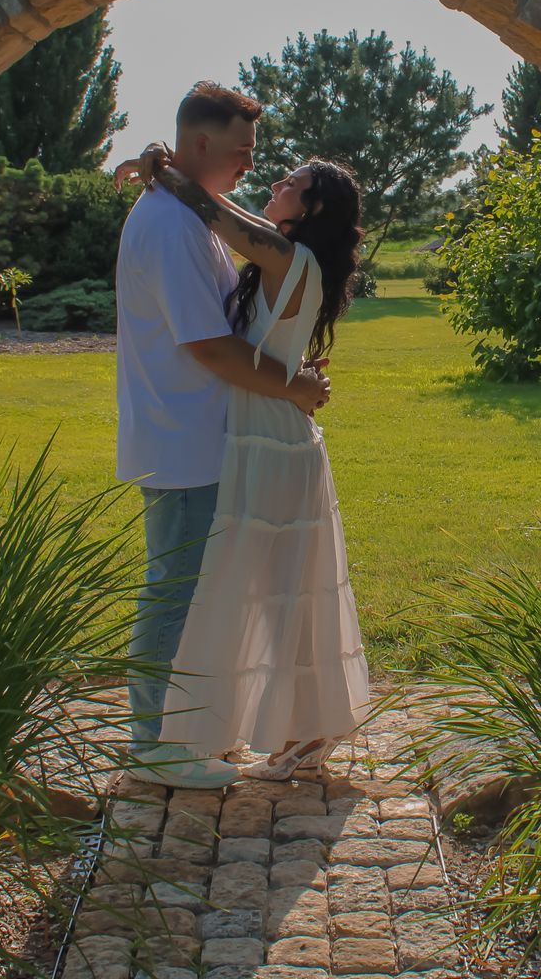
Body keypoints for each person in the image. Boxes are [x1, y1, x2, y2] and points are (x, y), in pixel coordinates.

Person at [118, 144, 373, 781]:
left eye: (293, 182)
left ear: (311, 210)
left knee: (285, 590)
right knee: (260, 586)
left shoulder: (291, 256)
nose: (276, 183)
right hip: (260, 434)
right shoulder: (284, 255)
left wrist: (162, 170)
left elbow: (215, 212)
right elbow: (226, 214)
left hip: (274, 441)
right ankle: (258, 726)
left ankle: (304, 733)